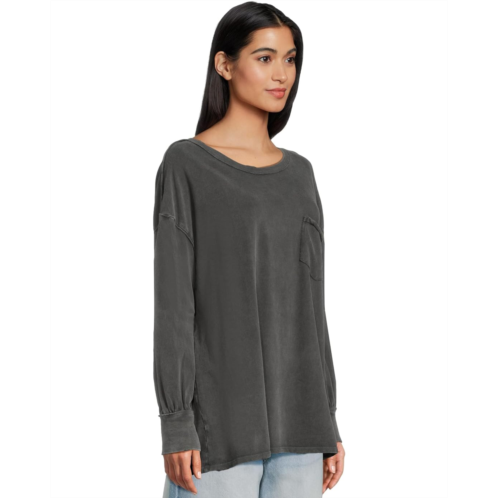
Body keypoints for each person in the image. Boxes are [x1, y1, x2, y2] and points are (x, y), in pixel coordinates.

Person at [153, 2, 346, 496]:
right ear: (224, 64)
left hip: (302, 432)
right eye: (265, 58)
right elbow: (174, 306)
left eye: (290, 59)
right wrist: (177, 422)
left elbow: (311, 308)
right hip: (218, 434)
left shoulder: (300, 174)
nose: (282, 74)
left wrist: (328, 418)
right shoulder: (187, 164)